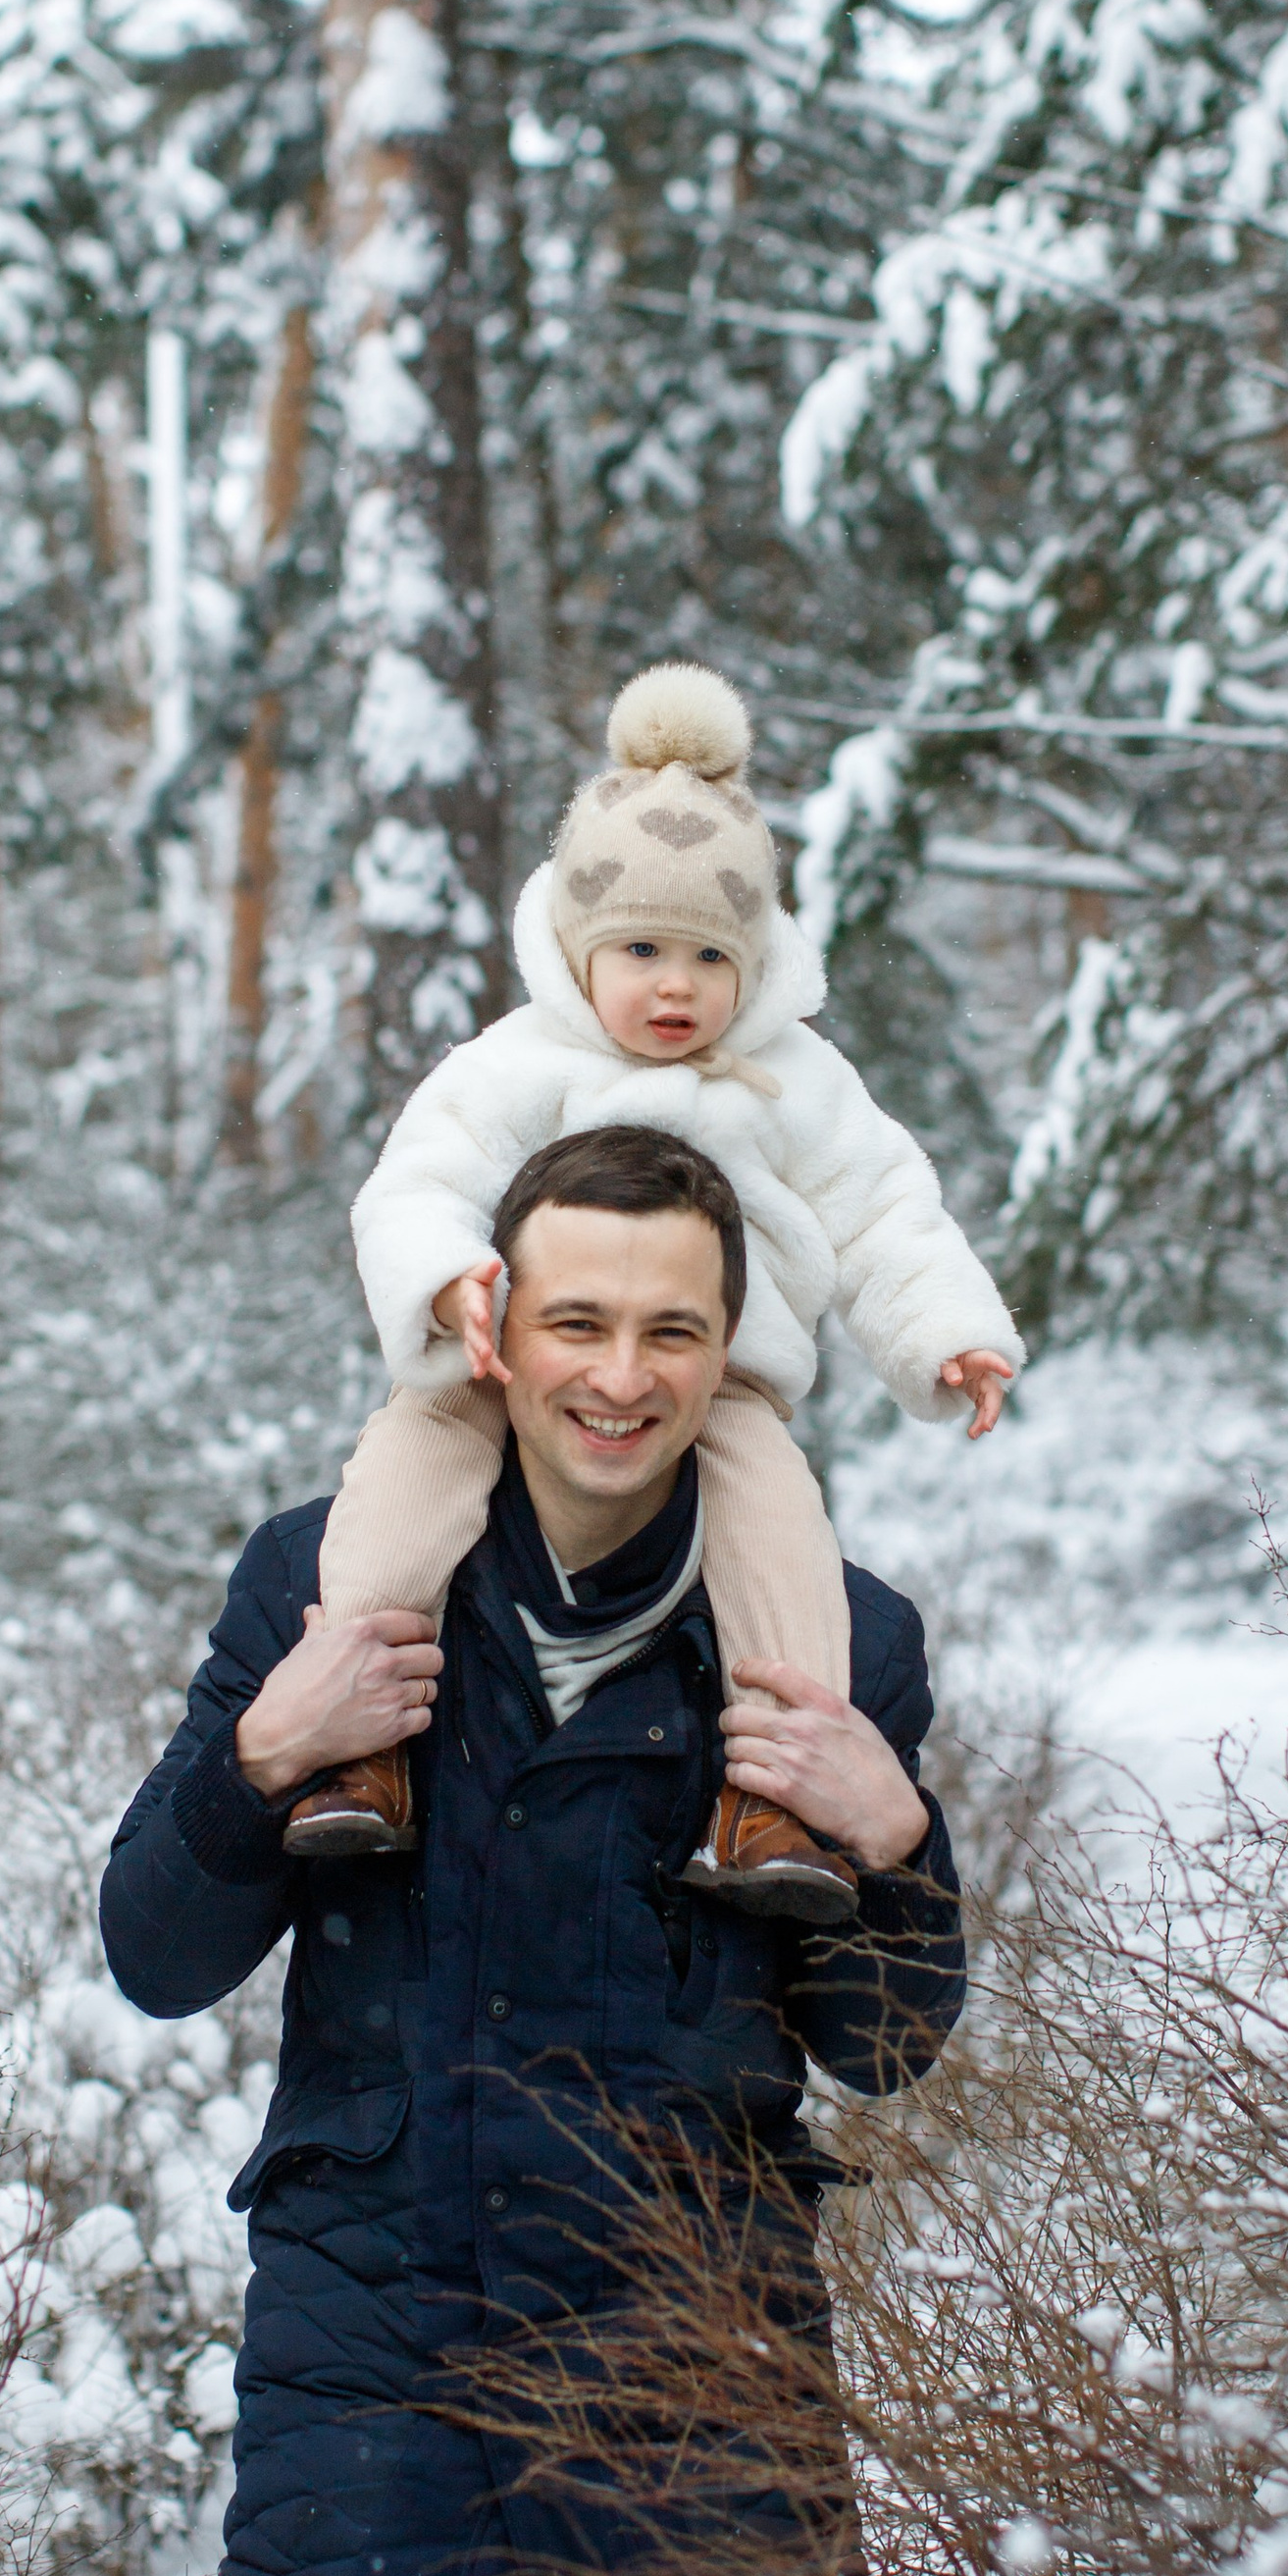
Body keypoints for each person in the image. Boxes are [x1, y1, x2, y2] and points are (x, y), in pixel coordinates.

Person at [99, 1126, 967, 2576]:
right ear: (492, 1326)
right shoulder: (320, 1577)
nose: (618, 1372)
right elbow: (153, 1954)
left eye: (672, 1328)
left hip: (704, 2345)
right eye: (574, 1316)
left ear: (729, 1349)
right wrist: (264, 1754)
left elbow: (893, 2038)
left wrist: (890, 1835)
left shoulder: (832, 1635)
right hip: (376, 2330)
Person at [284, 658, 1022, 1923]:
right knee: (400, 1474)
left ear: (759, 960)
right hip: (506, 1357)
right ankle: (361, 1733)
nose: (674, 987)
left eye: (706, 955)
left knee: (781, 1534)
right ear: (578, 948)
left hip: (719, 1384)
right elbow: (413, 1185)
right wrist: (452, 1276)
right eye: (639, 949)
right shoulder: (519, 1061)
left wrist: (944, 1331)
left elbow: (884, 1206)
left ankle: (776, 1792)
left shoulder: (794, 1079)